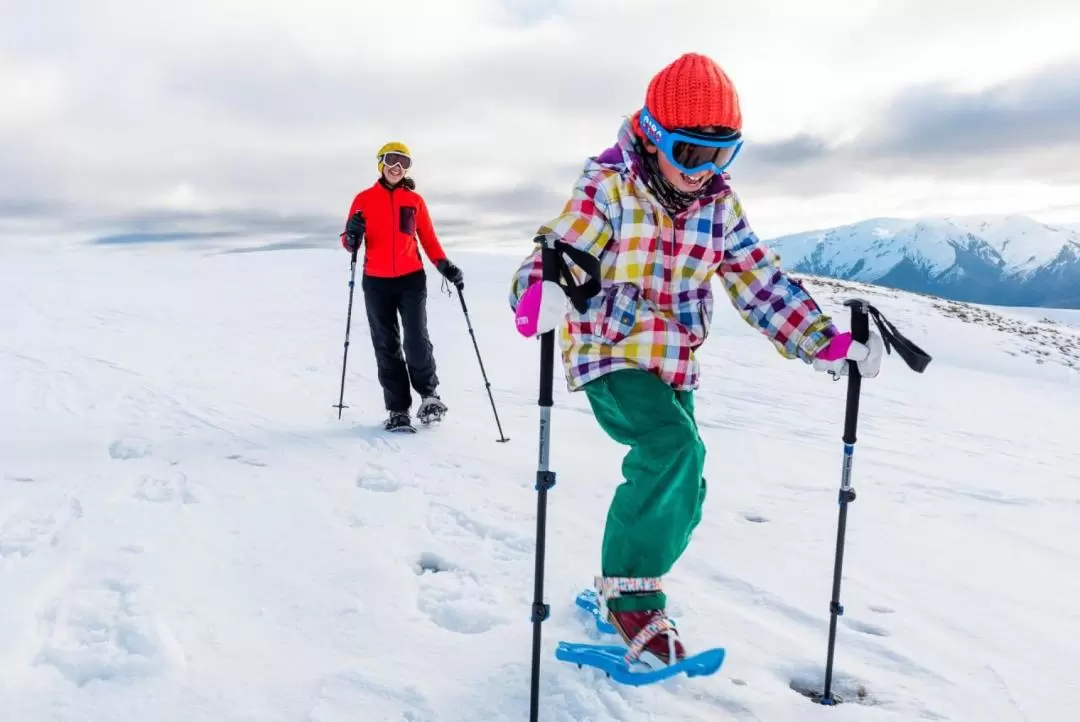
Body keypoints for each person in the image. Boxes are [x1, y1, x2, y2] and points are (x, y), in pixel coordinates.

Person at [508, 53, 884, 668]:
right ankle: (633, 598)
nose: (705, 170)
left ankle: (617, 583)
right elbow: (560, 249)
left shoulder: (720, 207)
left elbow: (759, 282)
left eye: (723, 154)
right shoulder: (607, 187)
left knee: (689, 481)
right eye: (690, 154)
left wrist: (825, 343)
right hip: (608, 347)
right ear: (655, 139)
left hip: (673, 359)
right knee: (671, 451)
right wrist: (536, 292)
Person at [341, 141, 465, 432]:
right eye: (392, 160)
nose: (397, 167)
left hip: (411, 278)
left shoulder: (415, 201)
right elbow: (350, 244)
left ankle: (429, 396)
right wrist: (352, 234)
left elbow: (429, 239)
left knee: (416, 340)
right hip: (376, 282)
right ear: (381, 163)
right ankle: (398, 409)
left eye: (404, 162)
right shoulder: (363, 199)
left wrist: (445, 266)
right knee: (386, 344)